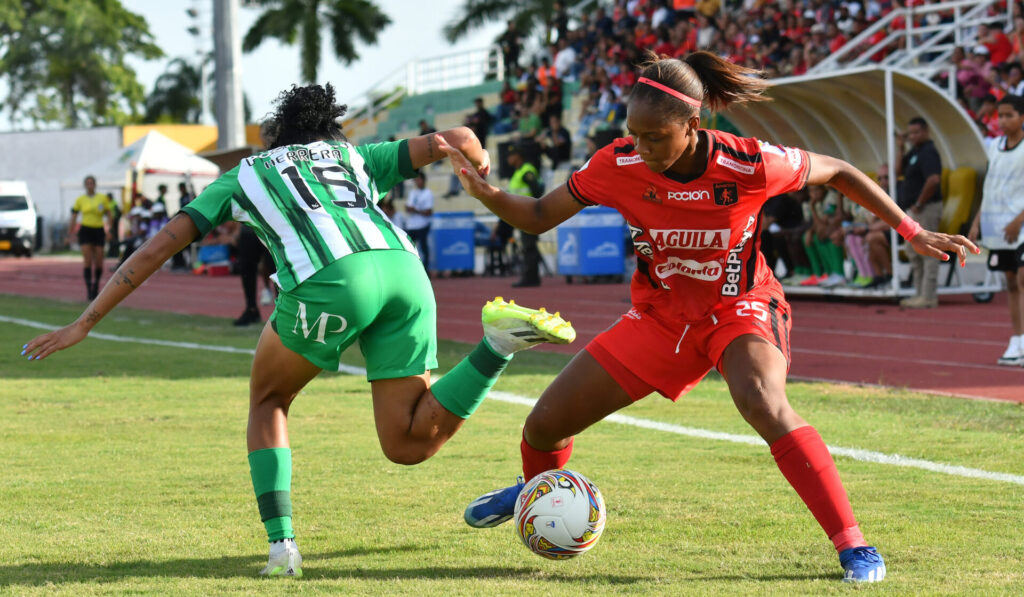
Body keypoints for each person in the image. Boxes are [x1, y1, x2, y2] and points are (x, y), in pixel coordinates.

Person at [439, 52, 978, 583]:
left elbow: (838, 170)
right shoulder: (617, 163)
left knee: (763, 402)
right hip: (660, 317)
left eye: (655, 137)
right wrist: (486, 193)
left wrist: (912, 230)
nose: (641, 147)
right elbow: (536, 216)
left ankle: (854, 544)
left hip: (738, 303)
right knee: (543, 425)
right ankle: (537, 490)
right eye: (634, 133)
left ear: (692, 126)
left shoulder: (751, 162)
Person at [21, 83, 577, 578]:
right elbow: (456, 135)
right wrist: (477, 167)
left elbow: (159, 246)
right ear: (326, 130)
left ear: (275, 137)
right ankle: (497, 344)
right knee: (408, 443)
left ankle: (282, 545)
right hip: (406, 272)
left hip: (332, 279)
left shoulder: (244, 175)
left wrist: (84, 321)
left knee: (269, 398)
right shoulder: (352, 155)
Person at [969, 94, 1024, 365]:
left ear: (1022, 117)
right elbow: (989, 186)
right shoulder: (993, 147)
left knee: (1023, 280)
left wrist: (1019, 220)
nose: (1003, 120)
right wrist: (978, 220)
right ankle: (1017, 339)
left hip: (1020, 225)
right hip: (998, 225)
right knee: (1011, 283)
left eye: (1009, 115)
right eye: (1000, 115)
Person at [896, 117, 944, 308]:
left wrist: (918, 203)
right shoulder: (914, 152)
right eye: (911, 133)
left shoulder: (929, 152)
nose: (913, 136)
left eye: (917, 132)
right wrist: (900, 146)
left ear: (926, 131)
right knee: (913, 252)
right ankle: (919, 294)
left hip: (927, 208)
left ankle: (929, 296)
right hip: (914, 210)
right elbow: (898, 171)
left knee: (928, 252)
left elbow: (933, 180)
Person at [506, 144, 544, 288]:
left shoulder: (526, 170)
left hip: (529, 214)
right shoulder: (517, 172)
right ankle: (530, 276)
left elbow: (537, 190)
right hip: (521, 215)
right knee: (527, 246)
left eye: (511, 155)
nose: (508, 158)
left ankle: (531, 278)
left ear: (518, 156)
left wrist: (532, 208)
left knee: (529, 246)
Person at [70, 175, 113, 300]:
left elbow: (109, 214)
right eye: (88, 183)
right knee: (87, 260)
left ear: (95, 184)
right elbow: (74, 216)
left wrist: (109, 229)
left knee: (99, 261)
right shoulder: (80, 200)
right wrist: (71, 231)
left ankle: (96, 285)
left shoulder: (102, 198)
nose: (90, 185)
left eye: (92, 183)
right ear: (85, 185)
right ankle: (89, 289)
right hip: (86, 230)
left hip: (98, 230)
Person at [405, 171, 434, 269]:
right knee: (409, 248)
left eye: (418, 179)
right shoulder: (412, 193)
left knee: (423, 248)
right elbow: (408, 208)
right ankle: (412, 268)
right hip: (412, 225)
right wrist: (413, 210)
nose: (417, 182)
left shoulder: (428, 193)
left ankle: (426, 269)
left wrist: (415, 210)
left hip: (423, 225)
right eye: (416, 180)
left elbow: (429, 212)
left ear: (423, 180)